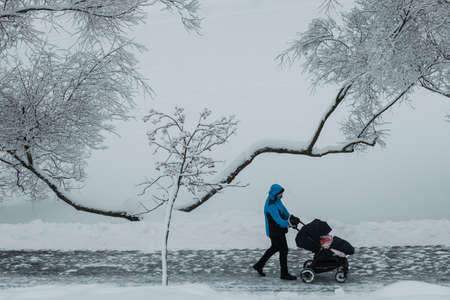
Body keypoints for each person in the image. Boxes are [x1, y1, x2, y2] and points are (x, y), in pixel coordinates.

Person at [253, 184, 301, 280]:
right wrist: (289, 224)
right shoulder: (270, 205)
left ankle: (259, 265)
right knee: (284, 250)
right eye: (280, 193)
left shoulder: (277, 200)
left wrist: (291, 217)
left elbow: (284, 211)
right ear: (276, 193)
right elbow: (279, 221)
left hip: (278, 230)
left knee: (274, 248)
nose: (282, 195)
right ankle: (284, 274)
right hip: (275, 231)